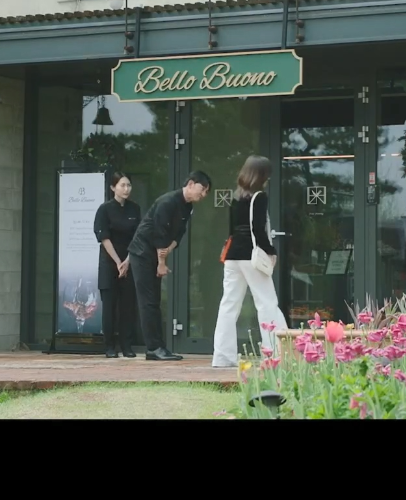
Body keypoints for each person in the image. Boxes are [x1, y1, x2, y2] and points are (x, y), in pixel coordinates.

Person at [212, 155, 289, 368]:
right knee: (266, 303)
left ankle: (222, 356)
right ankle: (275, 353)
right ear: (262, 175)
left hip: (232, 256)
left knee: (228, 305)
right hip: (252, 256)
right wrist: (271, 251)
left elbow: (233, 229)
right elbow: (257, 229)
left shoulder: (236, 196)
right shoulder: (259, 197)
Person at [127, 170, 212, 361]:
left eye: (206, 191)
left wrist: (167, 250)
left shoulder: (187, 206)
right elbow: (159, 234)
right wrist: (161, 263)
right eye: (203, 189)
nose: (204, 194)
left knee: (154, 301)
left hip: (157, 252)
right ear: (191, 184)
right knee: (148, 302)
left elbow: (178, 234)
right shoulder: (168, 202)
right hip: (142, 253)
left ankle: (158, 347)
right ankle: (153, 348)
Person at [93, 171, 141, 359]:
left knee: (128, 306)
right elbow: (104, 237)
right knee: (109, 307)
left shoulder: (134, 209)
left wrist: (127, 261)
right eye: (122, 185)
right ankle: (109, 346)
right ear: (113, 187)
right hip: (109, 262)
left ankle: (126, 345)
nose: (126, 189)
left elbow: (137, 237)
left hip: (129, 261)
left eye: (129, 185)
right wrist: (118, 262)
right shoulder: (104, 209)